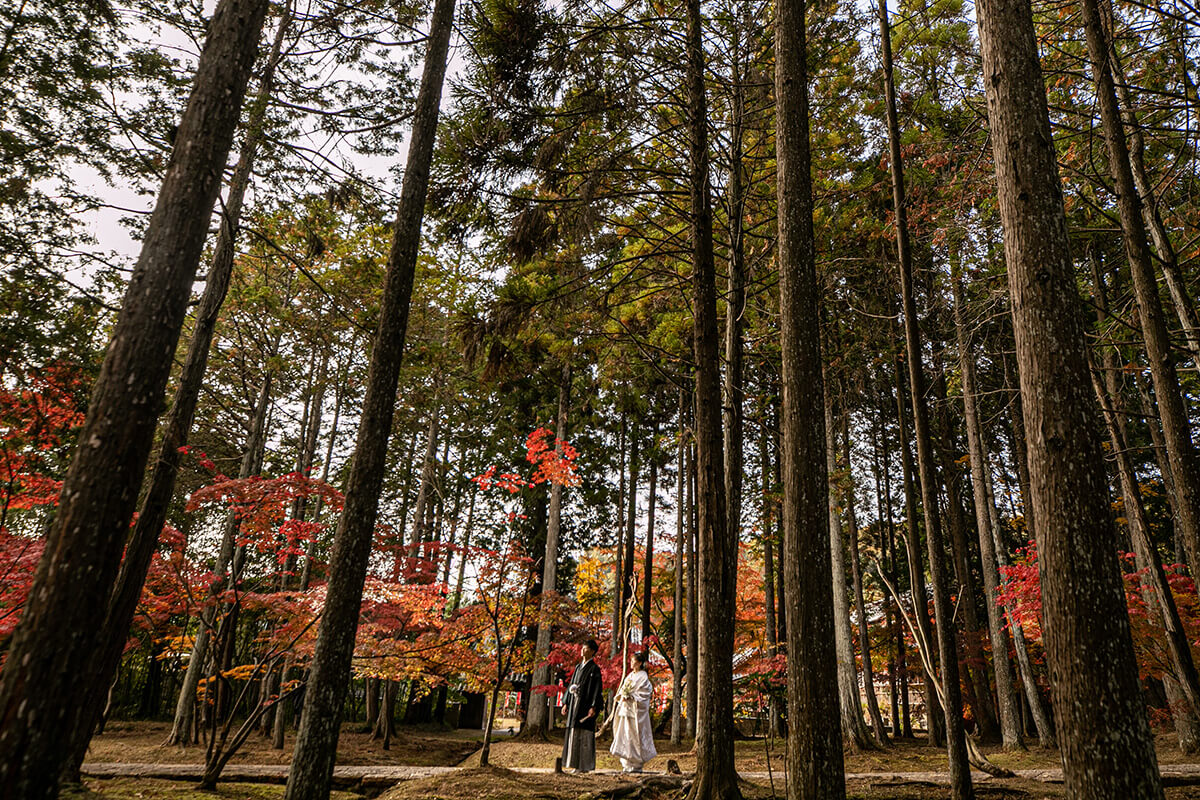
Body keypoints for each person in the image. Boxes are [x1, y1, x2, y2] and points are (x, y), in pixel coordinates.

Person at [610, 650, 657, 773]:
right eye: (631, 661)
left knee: (635, 737)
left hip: (636, 711)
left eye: (633, 661)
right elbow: (623, 689)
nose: (631, 663)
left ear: (640, 663)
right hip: (626, 710)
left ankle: (636, 764)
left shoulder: (643, 676)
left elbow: (644, 694)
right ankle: (626, 763)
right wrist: (622, 695)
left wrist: (632, 697)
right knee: (625, 735)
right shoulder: (630, 676)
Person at [562, 638, 604, 773]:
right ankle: (574, 764)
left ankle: (584, 766)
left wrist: (593, 706)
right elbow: (571, 685)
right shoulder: (578, 667)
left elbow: (597, 689)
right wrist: (566, 702)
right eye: (582, 647)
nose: (582, 650)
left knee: (584, 734)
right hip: (575, 703)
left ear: (592, 651)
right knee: (574, 732)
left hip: (585, 705)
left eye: (585, 648)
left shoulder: (594, 669)